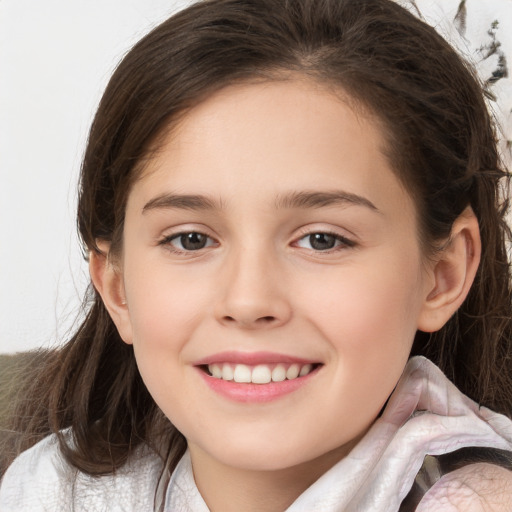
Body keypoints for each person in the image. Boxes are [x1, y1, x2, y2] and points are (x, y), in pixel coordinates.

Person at [1, 0, 511, 510]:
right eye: (190, 239)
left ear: (443, 275)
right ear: (117, 288)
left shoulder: (474, 499)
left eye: (322, 239)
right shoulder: (52, 488)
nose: (248, 301)